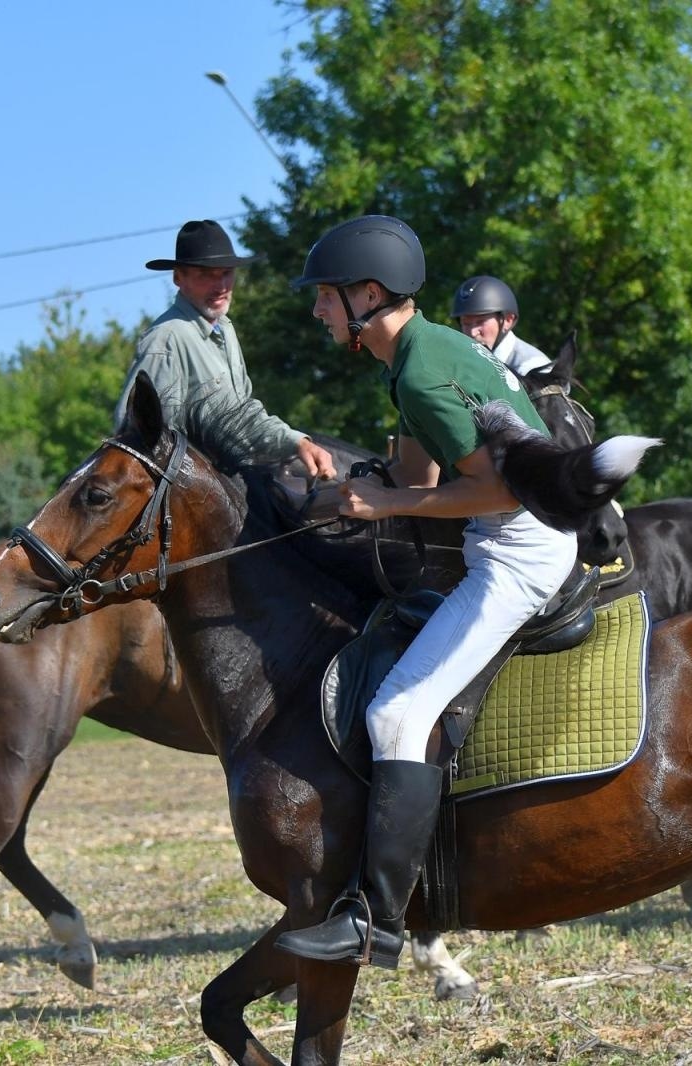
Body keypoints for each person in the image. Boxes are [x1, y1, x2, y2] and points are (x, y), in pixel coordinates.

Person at [275, 215, 578, 969]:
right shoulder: (417, 353)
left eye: (326, 296)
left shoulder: (418, 370)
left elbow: (501, 492)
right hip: (504, 538)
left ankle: (376, 921)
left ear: (369, 295)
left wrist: (387, 503)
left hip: (523, 552)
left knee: (397, 714)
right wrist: (356, 491)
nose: (317, 309)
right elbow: (419, 477)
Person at [115, 219, 335, 480]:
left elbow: (244, 417)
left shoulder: (225, 328)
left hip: (233, 482)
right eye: (205, 274)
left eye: (226, 273)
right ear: (178, 277)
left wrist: (297, 442)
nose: (220, 286)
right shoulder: (166, 339)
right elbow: (138, 437)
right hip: (193, 495)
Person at [451, 274, 551, 378]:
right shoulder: (462, 363)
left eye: (480, 322)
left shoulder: (531, 368)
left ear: (508, 320)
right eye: (466, 323)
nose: (473, 332)